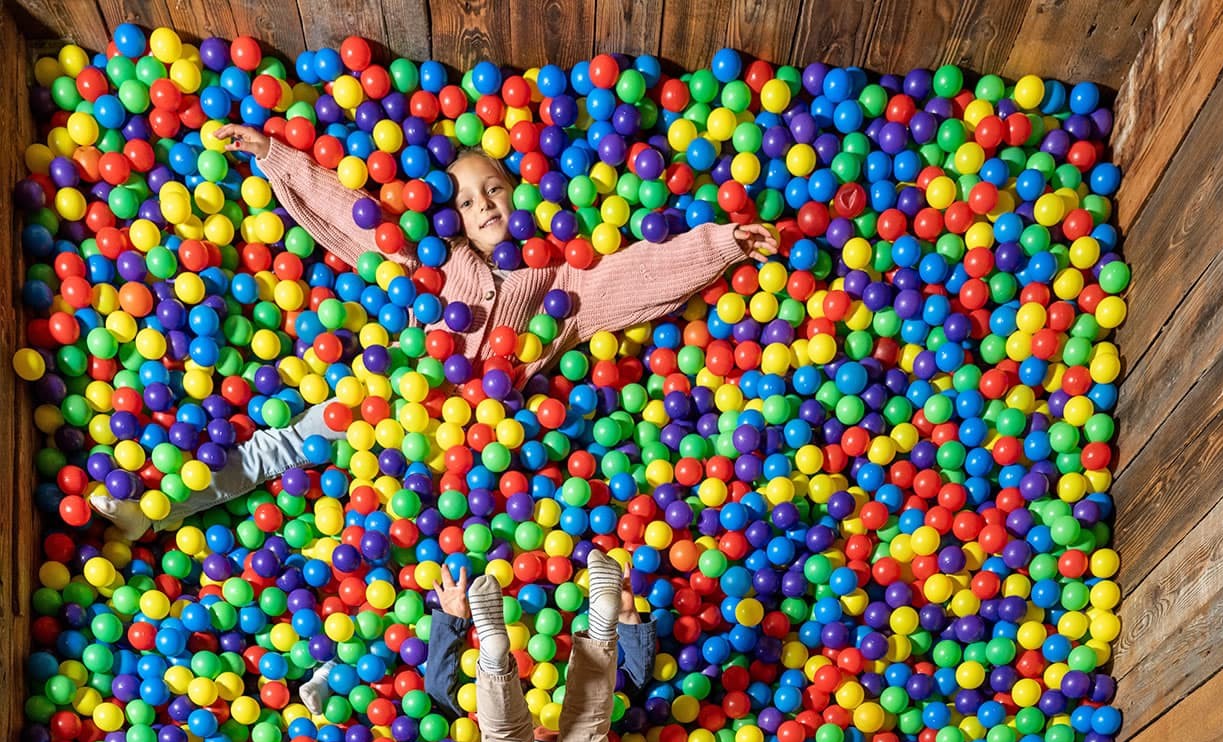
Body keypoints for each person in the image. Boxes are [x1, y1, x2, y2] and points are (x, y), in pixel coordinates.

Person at [89, 123, 775, 541]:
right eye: (468, 200)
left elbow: (636, 277)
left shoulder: (561, 280)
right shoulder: (428, 256)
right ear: (447, 217)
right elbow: (350, 216)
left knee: (405, 542)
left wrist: (723, 244)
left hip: (472, 448)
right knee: (281, 445)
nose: (484, 206)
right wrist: (275, 155)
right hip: (378, 409)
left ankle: (340, 673)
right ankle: (159, 508)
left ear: (522, 191)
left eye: (496, 189)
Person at [391, 548, 648, 742]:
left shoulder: (474, 721)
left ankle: (502, 659)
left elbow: (438, 693)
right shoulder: (586, 716)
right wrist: (628, 615)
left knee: (537, 733)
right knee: (578, 727)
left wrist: (453, 622)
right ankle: (503, 660)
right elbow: (635, 680)